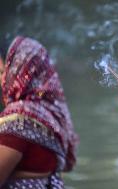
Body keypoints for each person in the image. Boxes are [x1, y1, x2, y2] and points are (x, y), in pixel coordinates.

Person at [0, 36, 79, 188]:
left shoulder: (19, 120)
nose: (1, 79)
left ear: (19, 72)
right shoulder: (51, 115)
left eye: (3, 71)